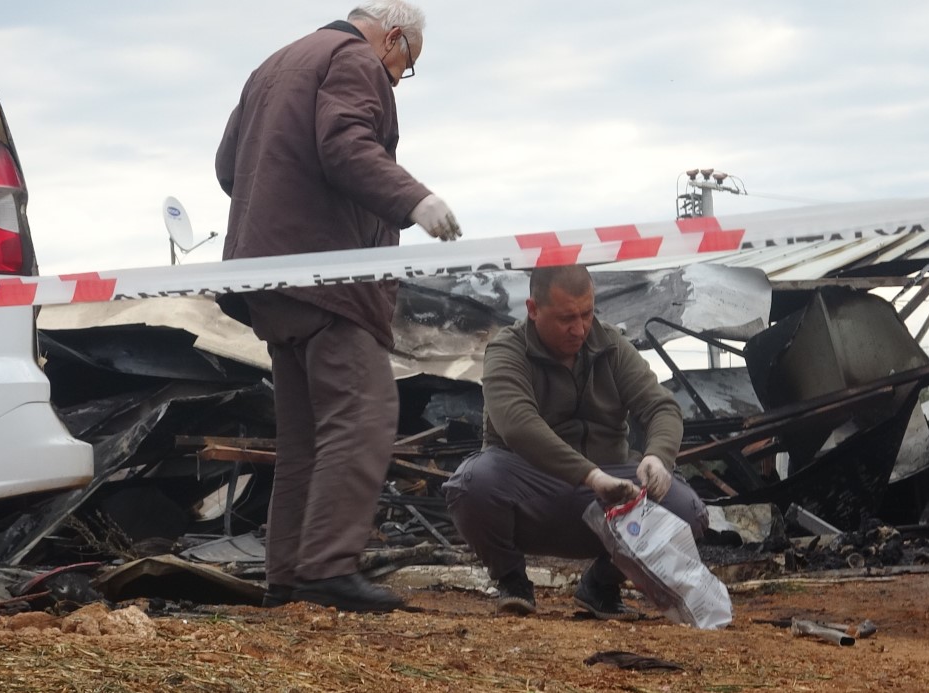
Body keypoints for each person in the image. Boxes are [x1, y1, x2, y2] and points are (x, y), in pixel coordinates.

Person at [214, 0, 460, 613]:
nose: (399, 78)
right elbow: (346, 144)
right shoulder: (354, 59)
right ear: (394, 39)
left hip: (267, 276)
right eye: (406, 67)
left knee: (303, 438)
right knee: (363, 416)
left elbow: (228, 168)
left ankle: (289, 576)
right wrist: (415, 201)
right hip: (329, 278)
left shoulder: (273, 65)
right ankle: (326, 569)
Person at [444, 265, 708, 620]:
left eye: (587, 313)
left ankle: (601, 585)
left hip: (612, 488)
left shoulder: (611, 345)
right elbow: (518, 426)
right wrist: (591, 476)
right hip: (534, 488)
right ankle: (512, 581)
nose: (580, 328)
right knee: (472, 484)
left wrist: (658, 457)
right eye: (567, 317)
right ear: (533, 309)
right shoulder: (507, 349)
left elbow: (660, 406)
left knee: (688, 512)